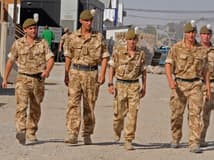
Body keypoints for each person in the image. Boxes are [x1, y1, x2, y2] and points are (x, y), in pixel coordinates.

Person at [1, 18, 54, 145]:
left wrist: (47, 70)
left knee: (35, 108)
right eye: (30, 28)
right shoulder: (18, 44)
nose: (33, 30)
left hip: (38, 80)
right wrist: (5, 78)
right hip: (22, 78)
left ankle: (31, 131)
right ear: (25, 30)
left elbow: (51, 58)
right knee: (21, 106)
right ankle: (21, 130)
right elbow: (10, 61)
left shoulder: (43, 43)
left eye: (35, 28)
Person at [63, 9, 109, 145]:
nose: (89, 23)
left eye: (91, 21)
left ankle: (87, 133)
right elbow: (68, 57)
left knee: (89, 105)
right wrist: (66, 74)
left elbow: (105, 56)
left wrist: (102, 74)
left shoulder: (98, 37)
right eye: (86, 21)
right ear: (81, 21)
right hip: (75, 73)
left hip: (91, 74)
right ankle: (72, 133)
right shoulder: (72, 37)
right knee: (73, 104)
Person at [164, 21, 211, 153]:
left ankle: (194, 142)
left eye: (193, 32)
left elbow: (206, 70)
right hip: (179, 85)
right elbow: (168, 65)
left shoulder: (201, 50)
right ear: (184, 33)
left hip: (196, 85)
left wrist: (207, 87)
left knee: (195, 114)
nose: (191, 35)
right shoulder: (176, 48)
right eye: (189, 32)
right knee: (176, 115)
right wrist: (170, 80)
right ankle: (176, 137)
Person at [108, 28, 147, 150]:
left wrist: (144, 86)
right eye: (130, 39)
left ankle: (128, 139)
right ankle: (117, 130)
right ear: (126, 40)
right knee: (119, 115)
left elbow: (143, 71)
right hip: (120, 85)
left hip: (134, 86)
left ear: (137, 40)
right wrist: (110, 83)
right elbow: (112, 67)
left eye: (134, 39)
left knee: (133, 114)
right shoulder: (118, 51)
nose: (132, 42)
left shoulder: (140, 54)